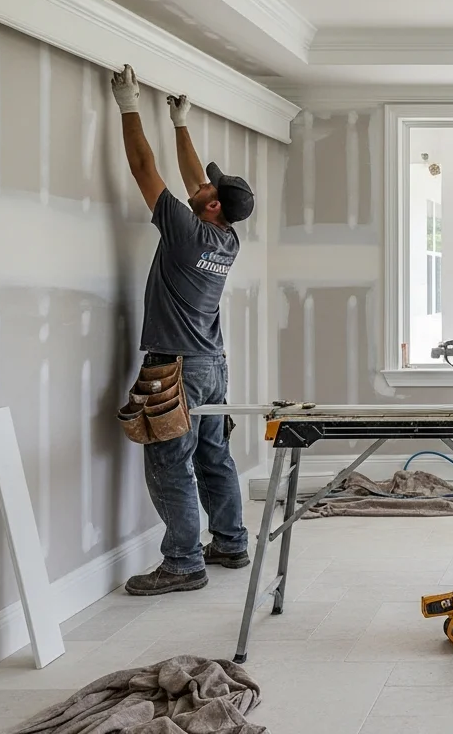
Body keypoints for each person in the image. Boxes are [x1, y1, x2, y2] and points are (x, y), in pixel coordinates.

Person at [110, 64, 255, 596]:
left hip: (175, 366)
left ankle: (182, 563)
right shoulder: (226, 240)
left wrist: (129, 104)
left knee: (170, 461)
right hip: (212, 366)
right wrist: (179, 124)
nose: (200, 186)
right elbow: (196, 181)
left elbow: (142, 166)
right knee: (213, 455)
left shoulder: (186, 234)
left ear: (213, 206)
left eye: (208, 189)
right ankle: (232, 542)